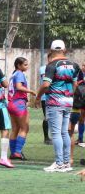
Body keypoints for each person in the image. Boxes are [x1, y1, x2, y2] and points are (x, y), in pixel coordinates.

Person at [37, 40, 81, 172]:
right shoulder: (74, 65)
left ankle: (59, 163)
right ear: (64, 50)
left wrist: (38, 97)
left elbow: (45, 85)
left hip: (55, 102)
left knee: (56, 133)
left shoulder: (51, 65)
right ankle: (66, 163)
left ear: (50, 51)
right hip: (68, 101)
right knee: (64, 133)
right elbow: (74, 85)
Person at [7, 57, 35, 161]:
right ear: (18, 65)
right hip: (18, 103)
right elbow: (19, 87)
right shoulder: (19, 74)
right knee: (25, 128)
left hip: (11, 103)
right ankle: (18, 152)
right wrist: (30, 91)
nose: (27, 67)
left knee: (15, 129)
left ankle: (13, 153)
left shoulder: (13, 75)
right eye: (25, 65)